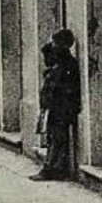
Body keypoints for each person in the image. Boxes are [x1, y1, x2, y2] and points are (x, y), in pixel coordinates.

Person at [32, 29, 81, 181]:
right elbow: (45, 52)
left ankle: (51, 169)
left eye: (55, 43)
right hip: (51, 106)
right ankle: (55, 167)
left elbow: (67, 88)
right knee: (52, 137)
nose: (52, 46)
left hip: (61, 107)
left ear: (62, 46)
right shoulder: (55, 62)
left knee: (58, 138)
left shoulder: (68, 64)